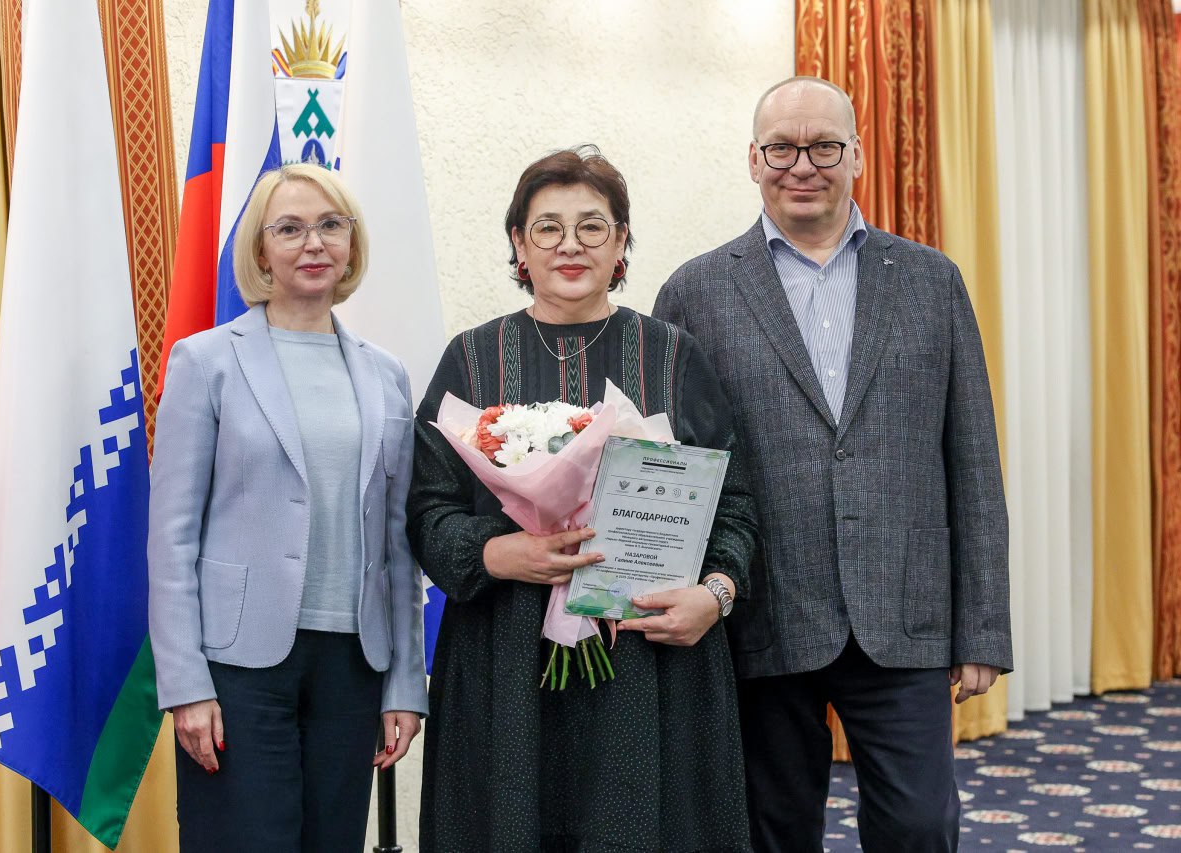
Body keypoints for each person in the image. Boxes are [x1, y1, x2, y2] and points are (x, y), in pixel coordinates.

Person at [654, 76, 1011, 852]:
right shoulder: (694, 292)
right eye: (782, 148)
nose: (802, 165)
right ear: (753, 159)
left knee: (921, 825)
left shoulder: (932, 280)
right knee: (772, 831)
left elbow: (973, 460)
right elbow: (671, 467)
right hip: (760, 612)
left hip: (904, 612)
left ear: (856, 154)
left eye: (823, 146)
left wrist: (982, 626)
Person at [408, 146, 759, 852]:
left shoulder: (673, 356)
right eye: (548, 228)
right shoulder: (472, 358)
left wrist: (714, 594)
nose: (570, 244)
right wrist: (496, 552)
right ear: (519, 244)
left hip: (651, 663)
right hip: (506, 663)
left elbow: (737, 507)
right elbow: (425, 509)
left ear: (622, 241)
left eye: (593, 226)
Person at [147, 162, 427, 852]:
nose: (314, 243)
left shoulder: (385, 373)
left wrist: (404, 683)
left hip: (352, 664)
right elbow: (172, 538)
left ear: (351, 244)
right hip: (238, 666)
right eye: (291, 229)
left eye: (331, 225)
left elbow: (398, 543)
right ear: (261, 250)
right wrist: (185, 684)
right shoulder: (205, 361)